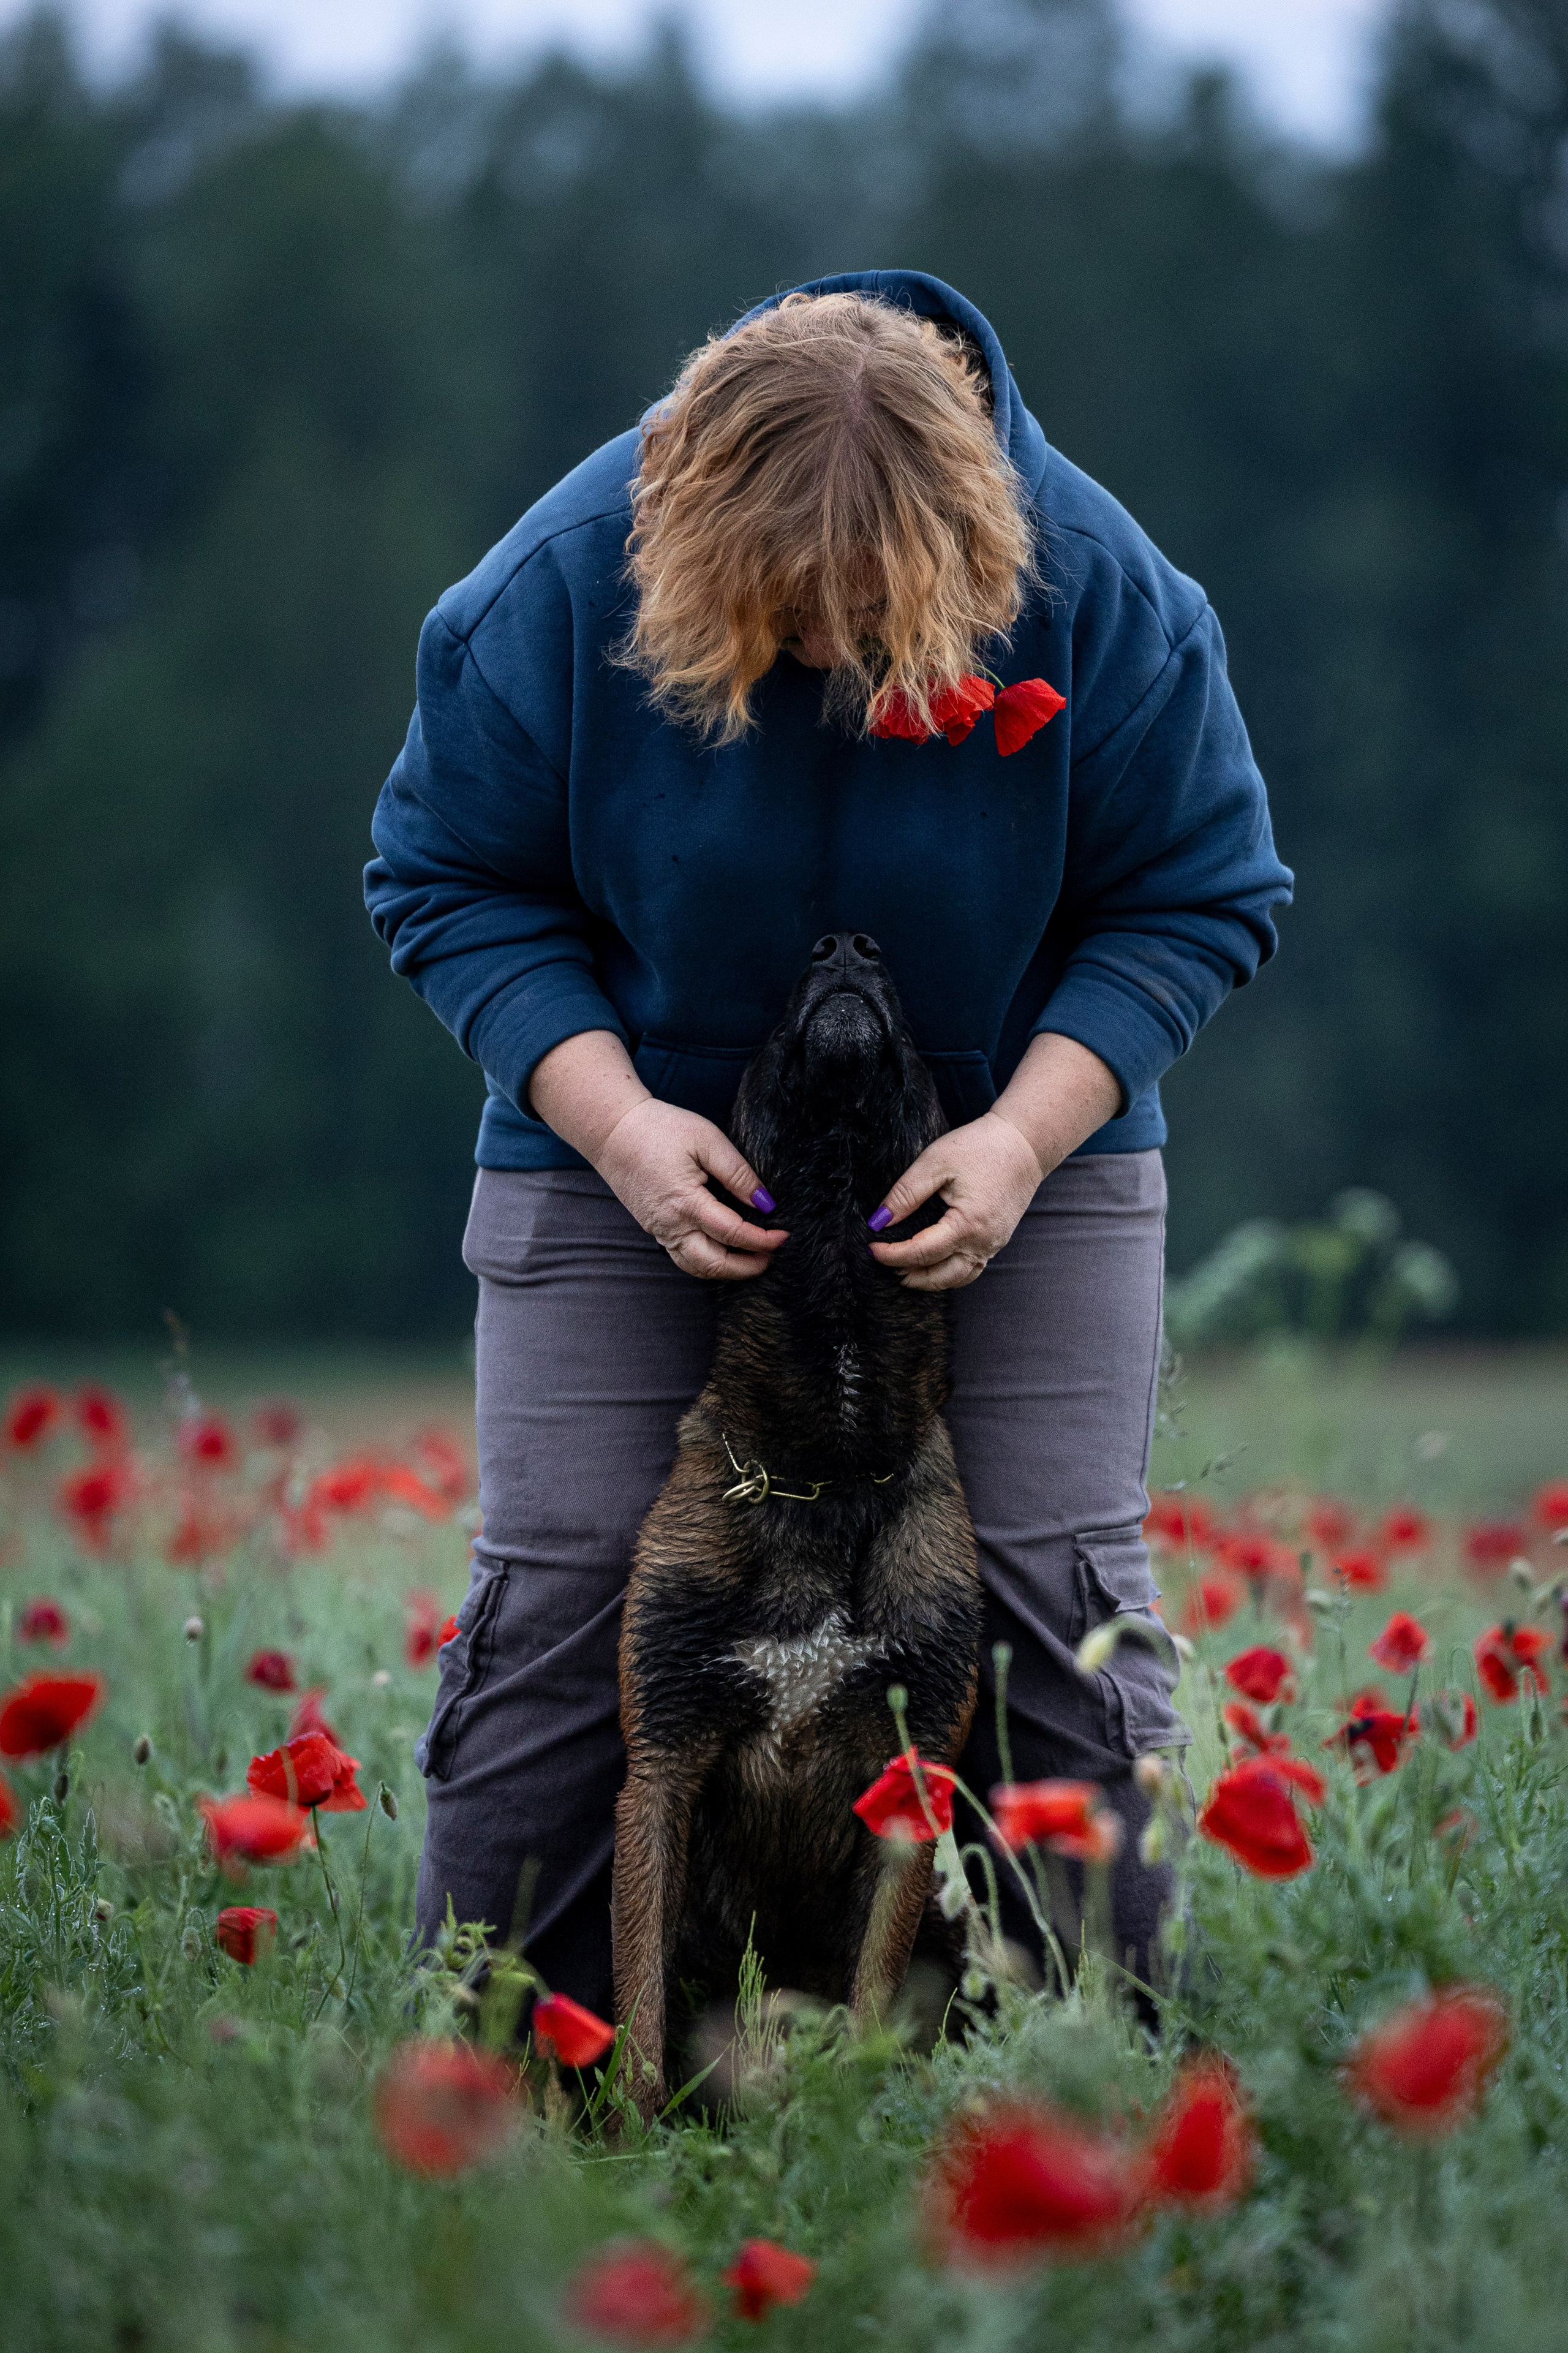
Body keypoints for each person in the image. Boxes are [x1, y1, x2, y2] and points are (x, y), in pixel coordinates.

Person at [365, 270, 1291, 2009]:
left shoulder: (1104, 593)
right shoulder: (553, 584)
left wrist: (1023, 1135)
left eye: (873, 623)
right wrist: (619, 1119)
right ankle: (496, 2087)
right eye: (790, 620)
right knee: (567, 1578)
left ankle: (1088, 2074)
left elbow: (1203, 891)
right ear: (686, 530)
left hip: (1027, 1137)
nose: (834, 662)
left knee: (1048, 1587)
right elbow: (444, 875)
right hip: (617, 1136)